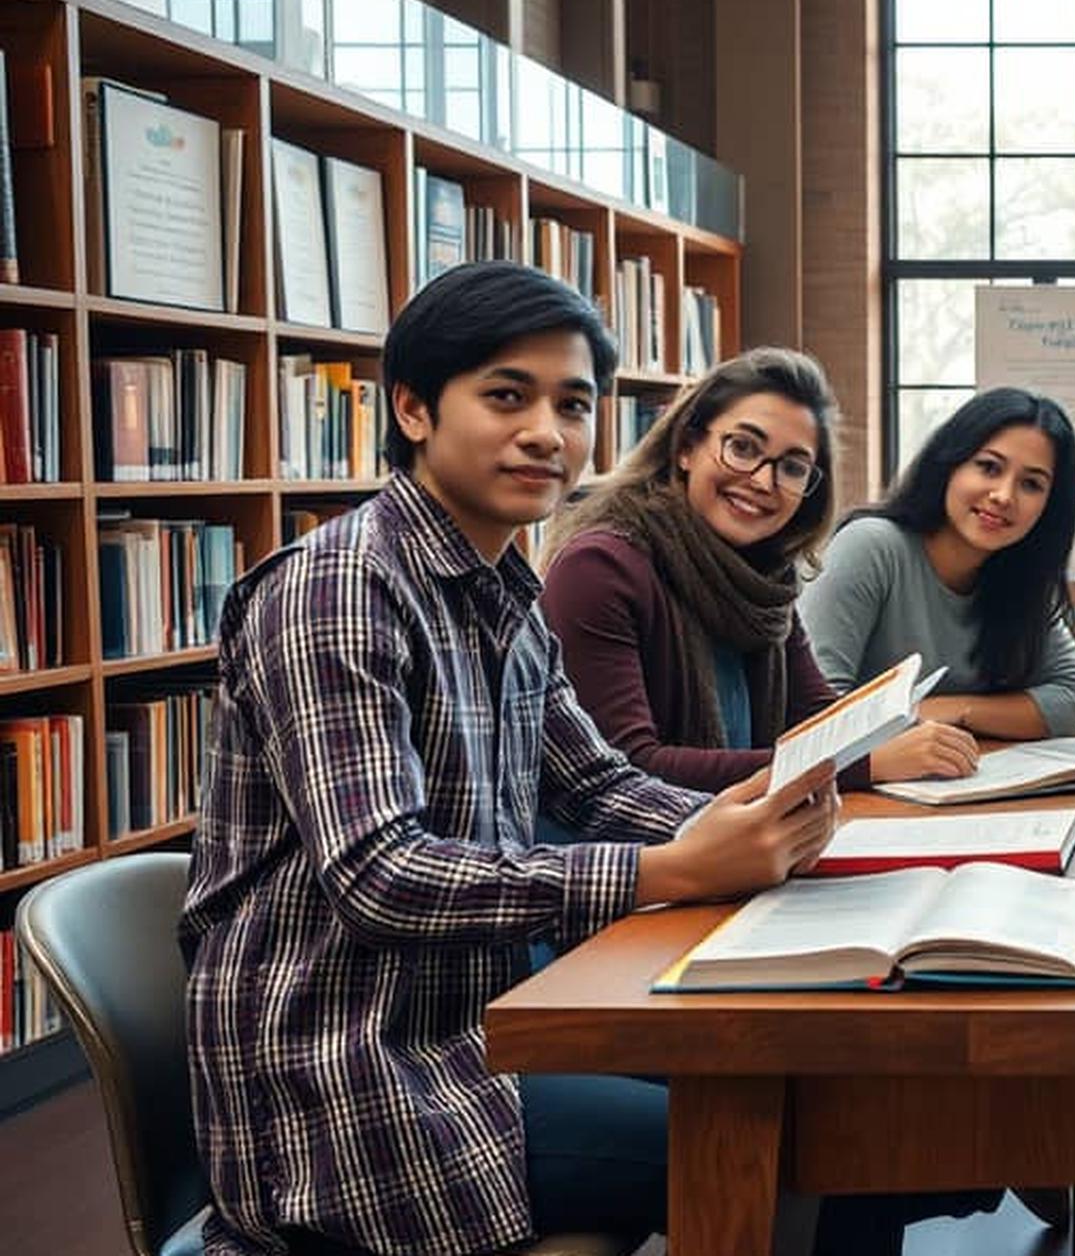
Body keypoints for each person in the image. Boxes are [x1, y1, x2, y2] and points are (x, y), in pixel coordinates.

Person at [180, 263, 940, 1256]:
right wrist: (674, 867)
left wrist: (743, 820)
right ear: (412, 407)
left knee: (841, 1099)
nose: (547, 430)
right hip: (356, 1081)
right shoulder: (337, 591)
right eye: (507, 395)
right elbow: (382, 878)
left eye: (572, 404)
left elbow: (596, 781)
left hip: (488, 1032)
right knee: (828, 1149)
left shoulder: (502, 591)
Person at [540, 348, 976, 792]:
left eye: (792, 467)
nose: (763, 481)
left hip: (740, 839)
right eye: (743, 448)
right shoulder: (599, 568)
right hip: (642, 853)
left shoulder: (765, 578)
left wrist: (904, 731)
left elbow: (816, 717)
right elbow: (629, 768)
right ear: (687, 447)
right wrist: (863, 764)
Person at [800, 386, 1075, 741]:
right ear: (949, 464)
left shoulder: (1022, 576)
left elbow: (1073, 702)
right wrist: (914, 720)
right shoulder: (870, 547)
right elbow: (813, 716)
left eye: (1031, 484)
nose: (1003, 495)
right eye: (988, 467)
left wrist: (953, 711)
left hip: (966, 782)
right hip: (857, 788)